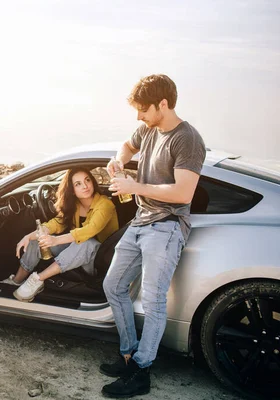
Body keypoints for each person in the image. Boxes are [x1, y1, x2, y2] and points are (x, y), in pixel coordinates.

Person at [100, 74, 206, 398]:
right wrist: (119, 161)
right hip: (141, 220)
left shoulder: (187, 139)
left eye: (143, 110)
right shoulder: (148, 128)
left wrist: (135, 187)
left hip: (168, 225)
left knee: (153, 299)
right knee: (113, 285)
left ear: (163, 104)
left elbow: (184, 192)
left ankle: (141, 371)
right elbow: (128, 145)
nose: (138, 117)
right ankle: (129, 354)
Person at [0, 167, 119, 302]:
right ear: (72, 190)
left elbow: (89, 231)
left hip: (100, 258)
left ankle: (37, 279)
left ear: (93, 182)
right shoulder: (75, 205)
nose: (85, 186)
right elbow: (56, 223)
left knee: (87, 242)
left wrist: (55, 241)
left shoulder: (105, 204)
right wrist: (29, 236)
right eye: (78, 184)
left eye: (87, 180)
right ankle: (17, 280)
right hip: (76, 251)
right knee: (38, 239)